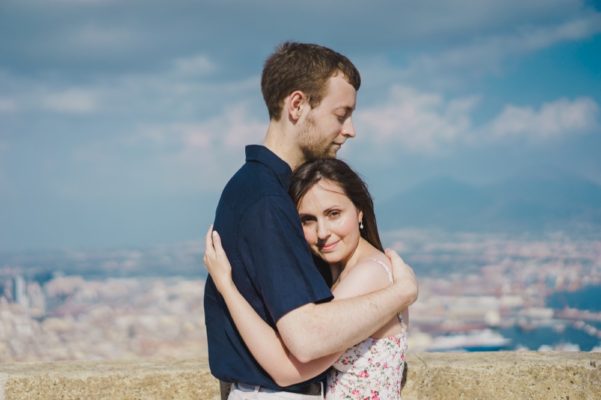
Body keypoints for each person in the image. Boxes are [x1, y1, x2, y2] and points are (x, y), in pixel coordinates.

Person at [203, 41, 418, 399]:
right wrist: (403, 292)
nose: (350, 130)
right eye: (341, 114)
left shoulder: (263, 189)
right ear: (298, 105)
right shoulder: (268, 202)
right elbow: (306, 341)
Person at [205, 158, 410, 399]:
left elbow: (286, 370)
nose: (322, 232)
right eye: (307, 220)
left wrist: (227, 288)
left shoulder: (368, 275)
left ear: (359, 212)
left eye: (334, 214)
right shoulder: (352, 272)